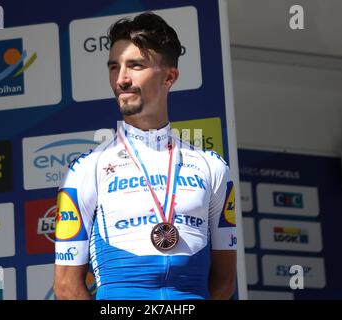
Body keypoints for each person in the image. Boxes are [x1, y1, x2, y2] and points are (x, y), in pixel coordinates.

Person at [53, 12, 237, 300]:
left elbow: (224, 282)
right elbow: (66, 287)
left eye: (135, 65)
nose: (121, 79)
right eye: (114, 67)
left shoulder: (211, 167)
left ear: (170, 76)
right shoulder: (87, 169)